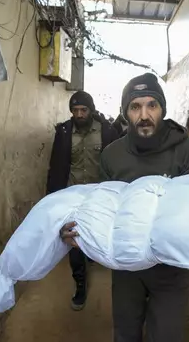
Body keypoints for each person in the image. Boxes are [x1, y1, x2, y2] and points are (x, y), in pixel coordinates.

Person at [59, 73, 189, 342]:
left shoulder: (187, 151)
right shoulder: (112, 155)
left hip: (171, 267)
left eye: (152, 105)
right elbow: (104, 208)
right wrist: (84, 234)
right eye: (135, 106)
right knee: (126, 334)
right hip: (127, 268)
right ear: (125, 112)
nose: (144, 115)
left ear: (162, 109)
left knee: (166, 335)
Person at [46, 90, 118, 311]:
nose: (79, 114)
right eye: (75, 110)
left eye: (83, 110)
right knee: (74, 239)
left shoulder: (108, 132)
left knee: (102, 234)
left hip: (100, 196)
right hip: (73, 196)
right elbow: (56, 166)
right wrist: (52, 197)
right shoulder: (64, 132)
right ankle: (80, 283)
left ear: (91, 110)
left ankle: (98, 257)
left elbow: (117, 164)